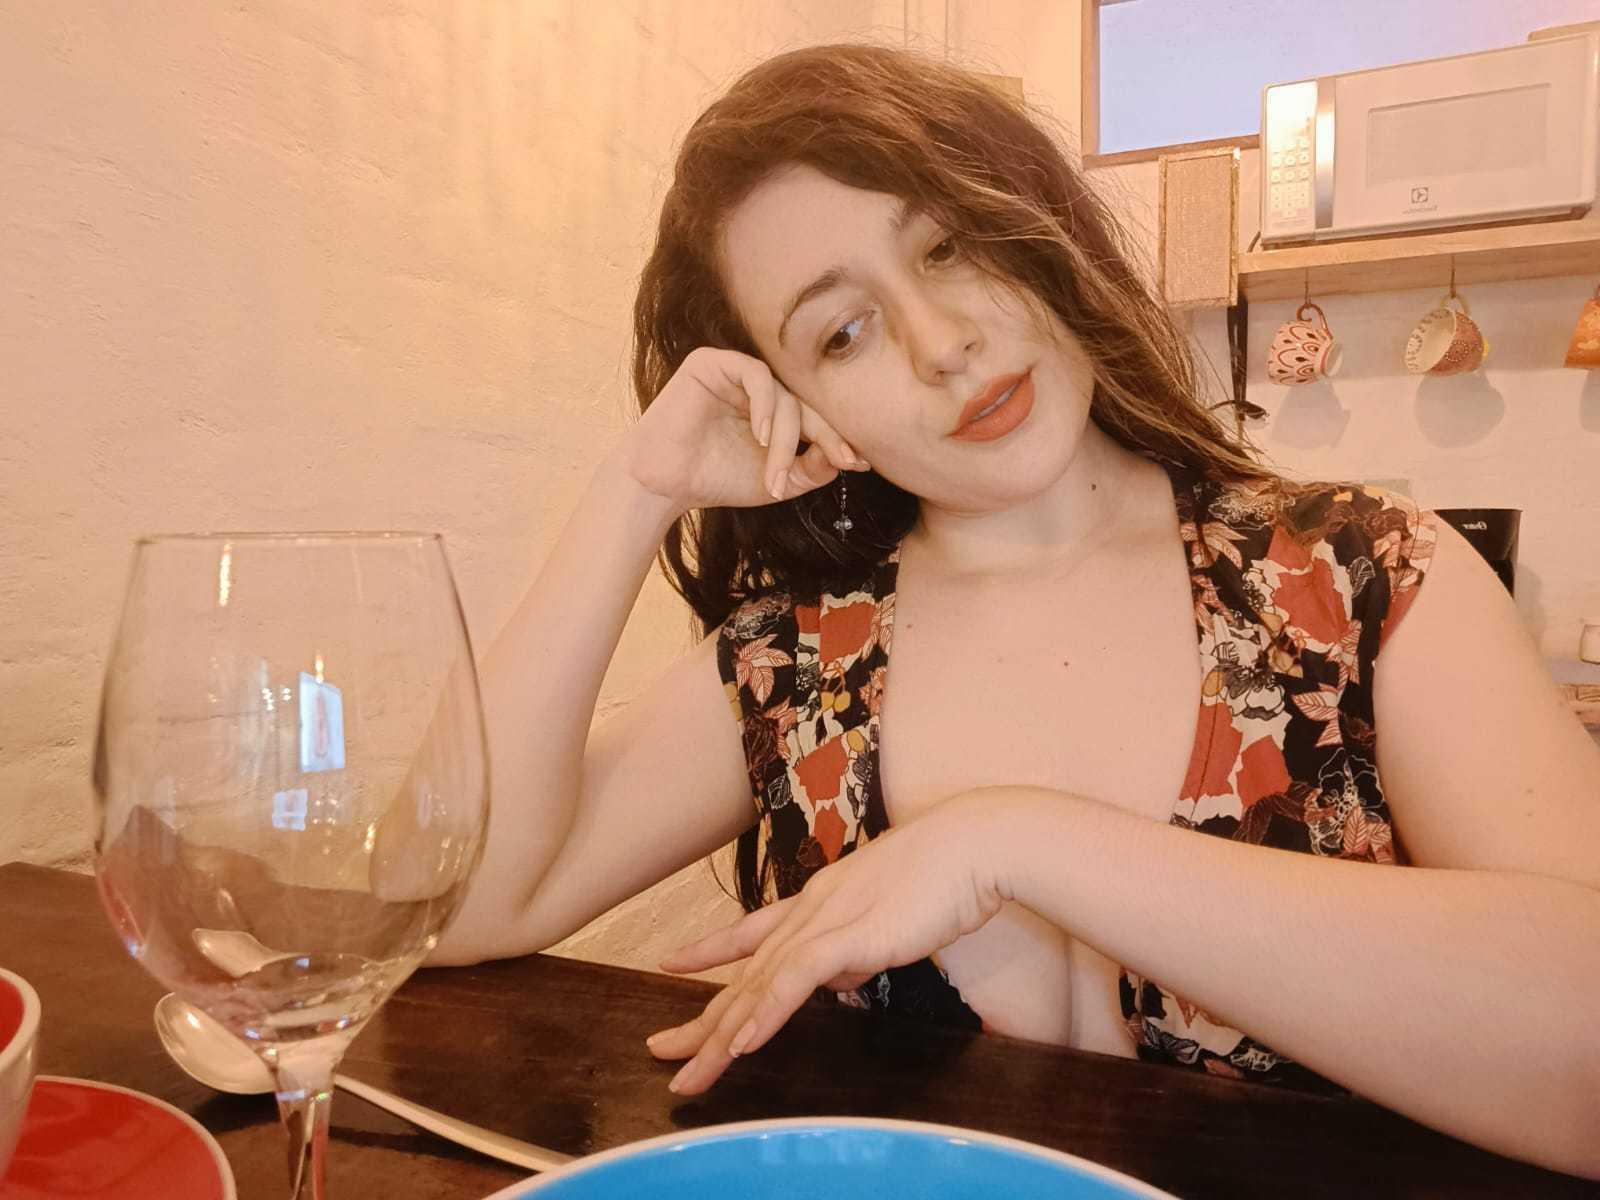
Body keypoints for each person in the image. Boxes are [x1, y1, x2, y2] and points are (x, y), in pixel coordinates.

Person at [428, 43, 1600, 1179]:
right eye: (842, 333)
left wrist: (1013, 843)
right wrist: (635, 491)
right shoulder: (801, 660)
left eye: (948, 247)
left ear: (1039, 224)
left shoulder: (1362, 575)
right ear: (798, 401)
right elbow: (446, 903)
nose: (943, 345)